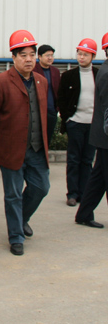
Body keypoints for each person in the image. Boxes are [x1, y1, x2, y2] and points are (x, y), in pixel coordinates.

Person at [0, 30, 50, 256]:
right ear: (13, 57)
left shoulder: (42, 82)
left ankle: (21, 219)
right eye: (23, 55)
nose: (28, 59)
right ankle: (16, 236)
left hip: (36, 149)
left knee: (42, 187)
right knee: (13, 194)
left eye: (32, 54)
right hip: (11, 149)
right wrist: (7, 137)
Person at [57, 39, 98, 207]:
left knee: (87, 160)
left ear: (93, 56)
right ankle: (72, 193)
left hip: (92, 124)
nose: (81, 57)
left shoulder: (99, 75)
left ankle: (84, 193)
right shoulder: (69, 76)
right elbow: (61, 98)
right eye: (79, 54)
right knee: (74, 159)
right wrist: (67, 118)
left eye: (85, 54)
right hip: (75, 122)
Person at [74, 33, 108, 229]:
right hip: (105, 136)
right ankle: (84, 214)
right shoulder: (107, 73)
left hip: (102, 136)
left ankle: (84, 214)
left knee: (98, 179)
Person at [33, 44, 61, 145]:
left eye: (52, 55)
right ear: (39, 57)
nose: (50, 58)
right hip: (37, 111)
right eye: (47, 55)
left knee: (47, 140)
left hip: (51, 111)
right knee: (36, 139)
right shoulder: (33, 70)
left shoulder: (55, 71)